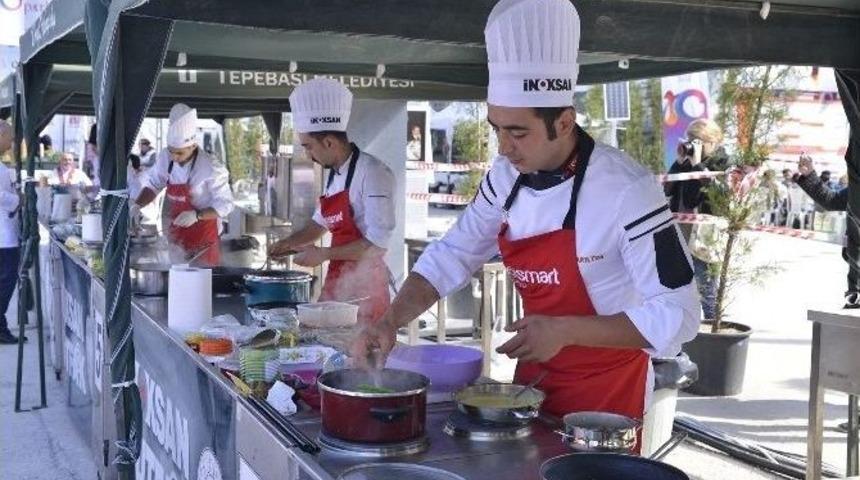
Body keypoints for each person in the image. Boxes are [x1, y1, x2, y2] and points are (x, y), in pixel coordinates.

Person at [351, 0, 699, 427]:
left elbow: (679, 315)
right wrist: (390, 321)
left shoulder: (626, 190)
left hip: (607, 399)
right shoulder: (504, 178)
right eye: (496, 128)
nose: (503, 147)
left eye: (518, 132)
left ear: (565, 122)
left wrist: (566, 330)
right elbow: (454, 255)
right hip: (531, 389)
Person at [269, 78, 395, 325]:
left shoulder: (374, 173)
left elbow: (378, 245)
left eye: (308, 146)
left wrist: (324, 253)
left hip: (366, 290)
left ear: (329, 142)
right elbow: (319, 224)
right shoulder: (334, 174)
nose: (308, 154)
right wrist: (287, 244)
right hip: (339, 283)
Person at [132, 103, 234, 265]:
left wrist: (197, 215)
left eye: (179, 152)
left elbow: (226, 204)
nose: (174, 157)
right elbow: (154, 185)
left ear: (193, 146)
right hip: (176, 236)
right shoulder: (166, 157)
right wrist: (136, 206)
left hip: (204, 240)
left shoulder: (210, 167)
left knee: (200, 281)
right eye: (172, 151)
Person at [664, 119, 729, 321]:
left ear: (714, 141)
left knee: (705, 285)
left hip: (705, 234)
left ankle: (712, 325)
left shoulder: (723, 163)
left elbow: (720, 195)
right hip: (681, 229)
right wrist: (680, 162)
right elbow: (667, 188)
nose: (693, 144)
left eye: (698, 140)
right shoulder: (687, 162)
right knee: (680, 288)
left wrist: (698, 165)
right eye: (690, 139)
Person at [0, 120, 23, 344]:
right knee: (6, 282)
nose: (11, 142)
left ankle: (1, 323)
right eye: (8, 137)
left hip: (6, 232)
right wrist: (19, 199)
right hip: (3, 237)